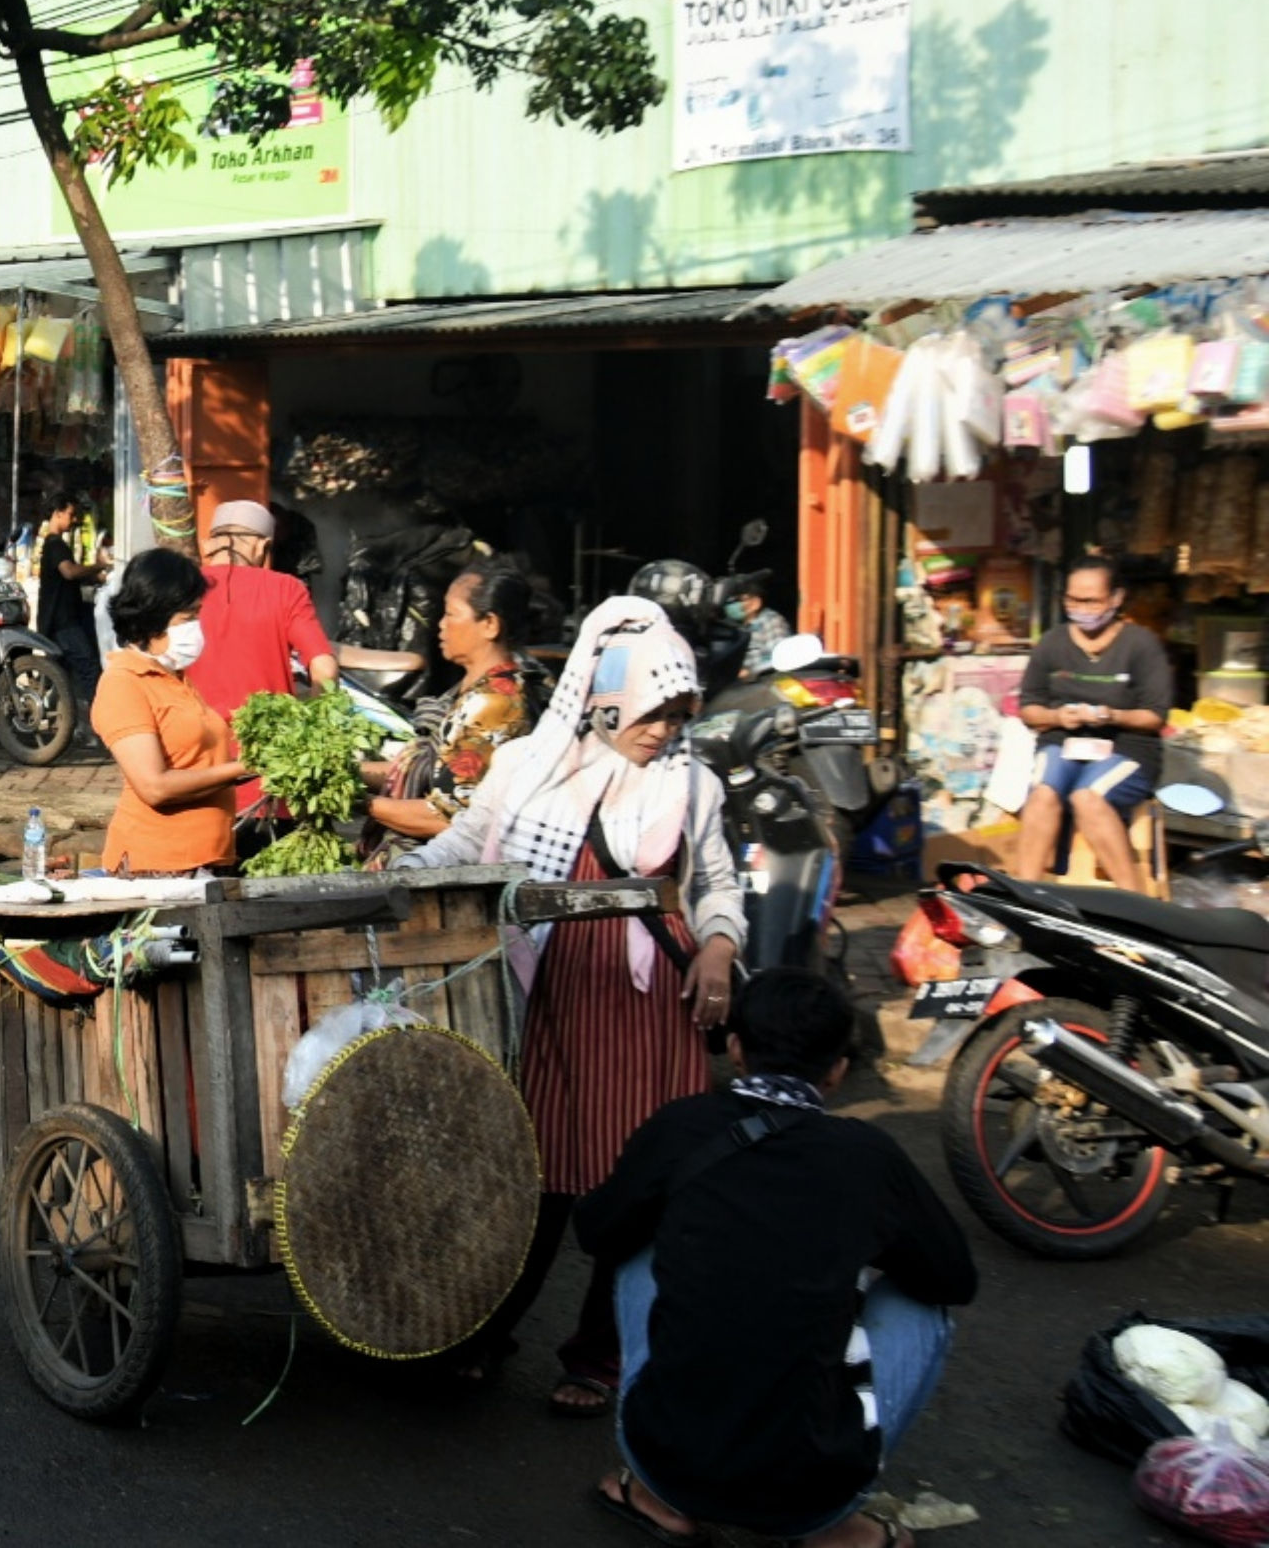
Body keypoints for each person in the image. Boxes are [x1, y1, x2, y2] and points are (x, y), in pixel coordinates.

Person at [397, 597, 744, 1411]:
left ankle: (599, 1355)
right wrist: (391, 881)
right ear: (604, 699)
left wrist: (722, 945)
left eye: (676, 714)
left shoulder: (692, 787)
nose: (661, 730)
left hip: (650, 1012)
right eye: (649, 712)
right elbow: (462, 844)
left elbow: (719, 885)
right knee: (535, 1179)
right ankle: (485, 1332)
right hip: (547, 997)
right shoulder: (527, 770)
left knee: (642, 1185)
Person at [578, 968, 977, 1548]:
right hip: (809, 1494)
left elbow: (597, 1229)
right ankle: (836, 1528)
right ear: (838, 1070)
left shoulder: (681, 1125)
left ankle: (655, 1498)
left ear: (736, 1048)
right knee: (924, 1305)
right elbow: (953, 1277)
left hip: (667, 1461)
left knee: (638, 1245)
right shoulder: (867, 1157)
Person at [1012, 555, 1173, 889]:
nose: (1081, 607)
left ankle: (1135, 905)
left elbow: (1155, 716)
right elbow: (1029, 707)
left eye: (1091, 600)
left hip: (1127, 748)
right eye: (1072, 599)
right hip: (1062, 741)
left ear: (1115, 598)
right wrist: (1057, 716)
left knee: (1088, 797)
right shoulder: (1053, 642)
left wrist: (1113, 715)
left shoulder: (1141, 644)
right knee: (1042, 794)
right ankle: (1025, 897)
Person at [361, 561, 543, 856]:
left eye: (451, 614)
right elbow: (434, 769)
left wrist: (354, 801)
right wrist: (347, 773)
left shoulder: (494, 704)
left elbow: (446, 817)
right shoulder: (472, 689)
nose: (441, 625)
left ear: (490, 625)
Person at [91, 548, 245, 874]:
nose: (196, 628)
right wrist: (241, 768)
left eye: (197, 616)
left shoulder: (176, 678)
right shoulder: (124, 683)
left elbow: (200, 763)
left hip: (209, 859)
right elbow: (155, 787)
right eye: (187, 619)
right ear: (152, 617)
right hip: (159, 866)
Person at [192, 496, 337, 722]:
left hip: (196, 742)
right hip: (270, 745)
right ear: (262, 546)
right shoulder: (287, 588)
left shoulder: (181, 587)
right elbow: (325, 670)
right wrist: (317, 730)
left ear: (206, 545)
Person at [33, 491, 108, 699]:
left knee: (63, 674)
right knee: (89, 666)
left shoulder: (54, 544)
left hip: (57, 620)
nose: (74, 520)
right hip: (63, 621)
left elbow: (68, 575)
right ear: (57, 513)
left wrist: (95, 577)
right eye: (71, 514)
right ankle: (95, 720)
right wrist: (98, 566)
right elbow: (69, 572)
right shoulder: (55, 544)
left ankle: (70, 723)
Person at [720, 571, 794, 681]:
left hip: (764, 683)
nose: (731, 605)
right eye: (729, 601)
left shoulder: (770, 621)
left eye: (737, 600)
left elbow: (780, 660)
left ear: (755, 603)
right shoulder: (730, 628)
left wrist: (748, 672)